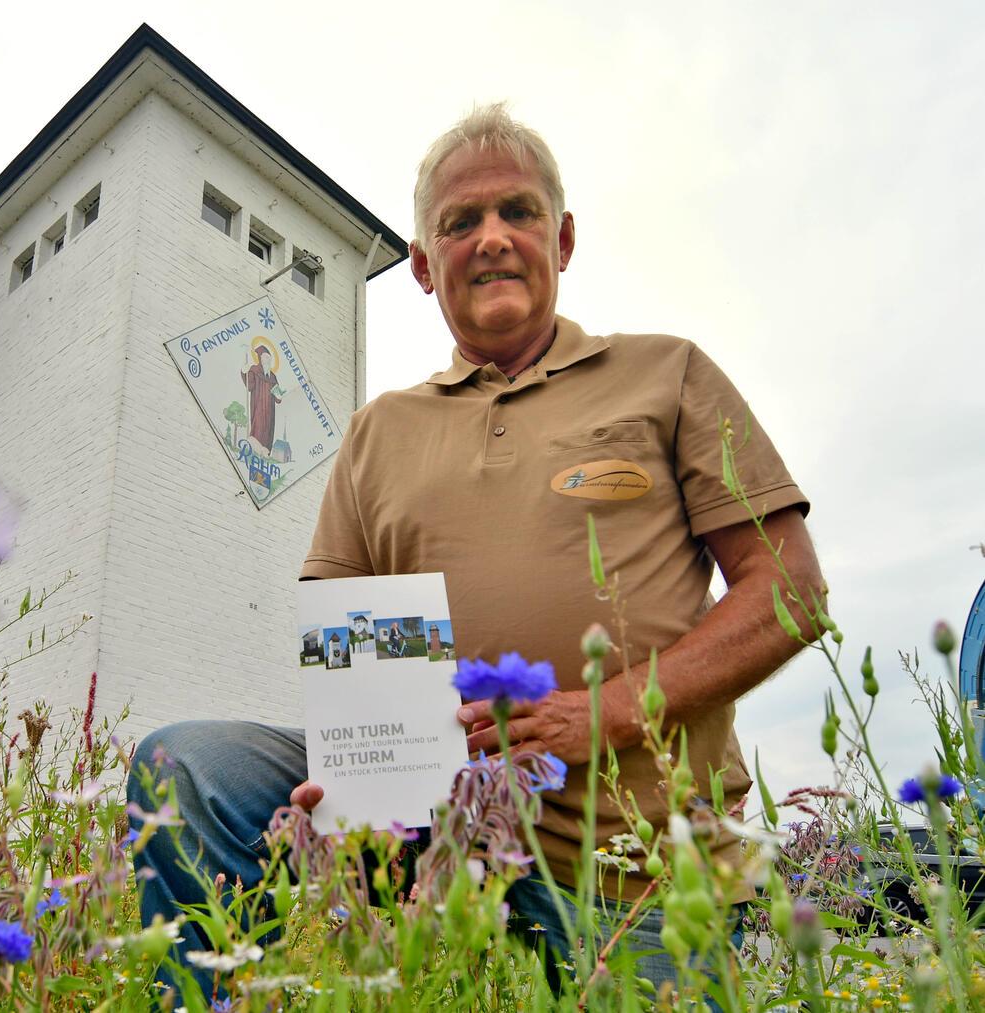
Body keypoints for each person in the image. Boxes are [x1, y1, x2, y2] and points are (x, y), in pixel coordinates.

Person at [128, 103, 823, 999]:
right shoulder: (378, 431)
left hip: (632, 868)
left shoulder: (667, 374)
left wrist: (604, 712)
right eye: (460, 223)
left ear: (562, 238)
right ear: (424, 264)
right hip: (435, 837)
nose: (491, 238)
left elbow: (792, 589)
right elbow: (347, 648)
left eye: (518, 212)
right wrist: (350, 794)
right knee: (186, 765)